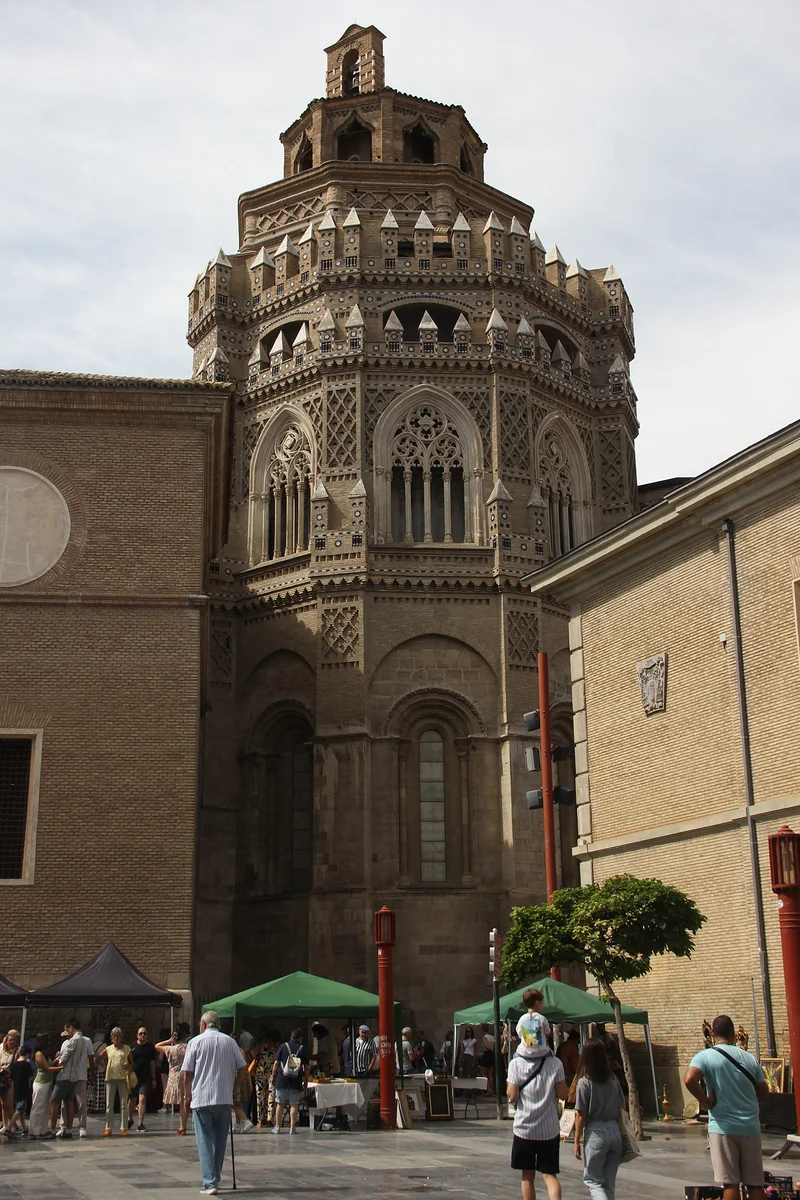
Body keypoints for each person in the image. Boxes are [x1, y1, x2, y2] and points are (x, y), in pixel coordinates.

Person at [684, 1013, 769, 1200]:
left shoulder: (705, 1056)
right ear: (734, 1034)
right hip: (750, 1127)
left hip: (722, 1127)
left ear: (712, 1033)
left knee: (730, 1183)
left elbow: (689, 1079)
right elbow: (764, 1093)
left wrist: (705, 1101)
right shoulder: (749, 1058)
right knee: (755, 1184)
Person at [182, 1010, 247, 1196]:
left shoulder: (195, 1042)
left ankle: (210, 1182)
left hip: (202, 1098)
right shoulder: (230, 1041)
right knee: (220, 1141)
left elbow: (187, 1073)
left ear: (203, 1024)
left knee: (204, 1140)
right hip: (224, 1098)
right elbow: (242, 1068)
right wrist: (234, 1088)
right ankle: (214, 1177)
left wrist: (187, 1096)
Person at [507, 1039, 568, 1200]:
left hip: (524, 1128)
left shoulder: (516, 1064)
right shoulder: (555, 1063)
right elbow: (563, 1094)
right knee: (550, 1175)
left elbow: (512, 1096)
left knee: (527, 1176)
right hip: (549, 1128)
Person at [573, 1037, 625, 1200]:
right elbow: (621, 1106)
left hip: (596, 1133)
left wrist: (576, 1140)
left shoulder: (584, 1082)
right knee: (609, 1185)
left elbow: (581, 1115)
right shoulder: (613, 1079)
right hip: (614, 1131)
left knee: (593, 1182)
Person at [50, 1019, 85, 1139]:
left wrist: (57, 1060)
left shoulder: (74, 1040)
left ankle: (51, 1129)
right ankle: (69, 1129)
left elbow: (64, 1058)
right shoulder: (84, 1040)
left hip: (65, 1075)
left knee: (54, 1101)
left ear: (71, 1027)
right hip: (74, 1075)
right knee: (69, 1101)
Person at [272, 1028, 309, 1134]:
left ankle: (278, 1127)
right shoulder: (302, 1048)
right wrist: (305, 1080)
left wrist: (273, 1076)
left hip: (282, 1079)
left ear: (291, 1037)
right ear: (300, 1038)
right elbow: (307, 1067)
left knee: (280, 1103)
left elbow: (276, 1063)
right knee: (294, 1104)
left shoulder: (283, 1046)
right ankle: (292, 1128)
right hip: (296, 1080)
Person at [97, 1027, 133, 1136]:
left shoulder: (127, 1049)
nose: (116, 1038)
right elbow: (98, 1058)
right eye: (114, 1036)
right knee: (109, 1104)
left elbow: (132, 1062)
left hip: (123, 1078)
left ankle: (124, 1127)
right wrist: (105, 1066)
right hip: (111, 1078)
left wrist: (128, 1065)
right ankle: (108, 1127)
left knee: (123, 1104)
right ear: (111, 1038)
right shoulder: (108, 1049)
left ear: (121, 1037)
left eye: (118, 1036)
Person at [155, 1024, 190, 1134]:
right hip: (185, 1075)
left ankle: (182, 1127)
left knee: (180, 1102)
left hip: (174, 1077)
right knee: (184, 1101)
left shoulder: (170, 1049)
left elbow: (157, 1046)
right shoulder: (187, 1047)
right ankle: (182, 1126)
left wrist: (169, 1040)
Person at [29, 1036, 60, 1139]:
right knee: (38, 1106)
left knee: (45, 1107)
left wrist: (56, 1061)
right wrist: (61, 1067)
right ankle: (35, 1131)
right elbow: (47, 1068)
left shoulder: (45, 1055)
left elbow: (50, 1064)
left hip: (47, 1082)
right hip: (41, 1083)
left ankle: (42, 1130)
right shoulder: (39, 1054)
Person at [129, 1026, 158, 1132]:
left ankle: (140, 1123)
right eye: (140, 1033)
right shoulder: (132, 1047)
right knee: (131, 1100)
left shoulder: (150, 1048)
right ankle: (129, 1118)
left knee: (142, 1099)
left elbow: (152, 1063)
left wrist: (153, 1078)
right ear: (137, 1035)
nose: (143, 1035)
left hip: (145, 1077)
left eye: (144, 1033)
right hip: (133, 1078)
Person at [250, 1029, 278, 1127]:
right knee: (271, 1093)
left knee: (260, 1095)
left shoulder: (262, 1044)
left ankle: (260, 1119)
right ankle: (270, 1118)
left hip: (261, 1071)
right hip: (272, 1071)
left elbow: (253, 1053)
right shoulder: (276, 1045)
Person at [230, 1032, 254, 1133]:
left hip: (236, 1077)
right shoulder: (241, 1050)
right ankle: (238, 1124)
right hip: (244, 1076)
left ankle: (246, 1120)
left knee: (233, 1102)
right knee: (237, 1101)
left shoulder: (232, 1051)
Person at [516, 989, 552, 1059]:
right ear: (537, 1003)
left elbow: (519, 1033)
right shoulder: (542, 1018)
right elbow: (547, 1032)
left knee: (515, 1057)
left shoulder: (522, 1019)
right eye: (542, 1003)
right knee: (553, 1057)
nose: (542, 1006)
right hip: (541, 1052)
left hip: (525, 1052)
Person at [8, 1045, 33, 1135]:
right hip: (24, 1089)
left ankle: (24, 1128)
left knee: (21, 1110)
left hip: (16, 1089)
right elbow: (30, 1078)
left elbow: (11, 1077)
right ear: (27, 1054)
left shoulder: (14, 1065)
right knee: (19, 1109)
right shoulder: (26, 1064)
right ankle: (9, 1128)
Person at [0, 1029, 21, 1133]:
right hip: (1, 1078)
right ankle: (5, 1124)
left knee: (9, 1103)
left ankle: (12, 1124)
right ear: (6, 1041)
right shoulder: (3, 1052)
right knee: (3, 1103)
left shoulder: (17, 1052)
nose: (12, 1042)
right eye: (10, 1040)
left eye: (14, 1040)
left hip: (10, 1079)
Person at [480, 1024, 496, 1094]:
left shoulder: (484, 1037)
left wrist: (489, 1049)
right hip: (492, 1055)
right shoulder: (492, 1037)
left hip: (487, 1054)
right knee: (490, 1074)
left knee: (483, 1073)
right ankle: (492, 1089)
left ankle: (489, 1089)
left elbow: (486, 1046)